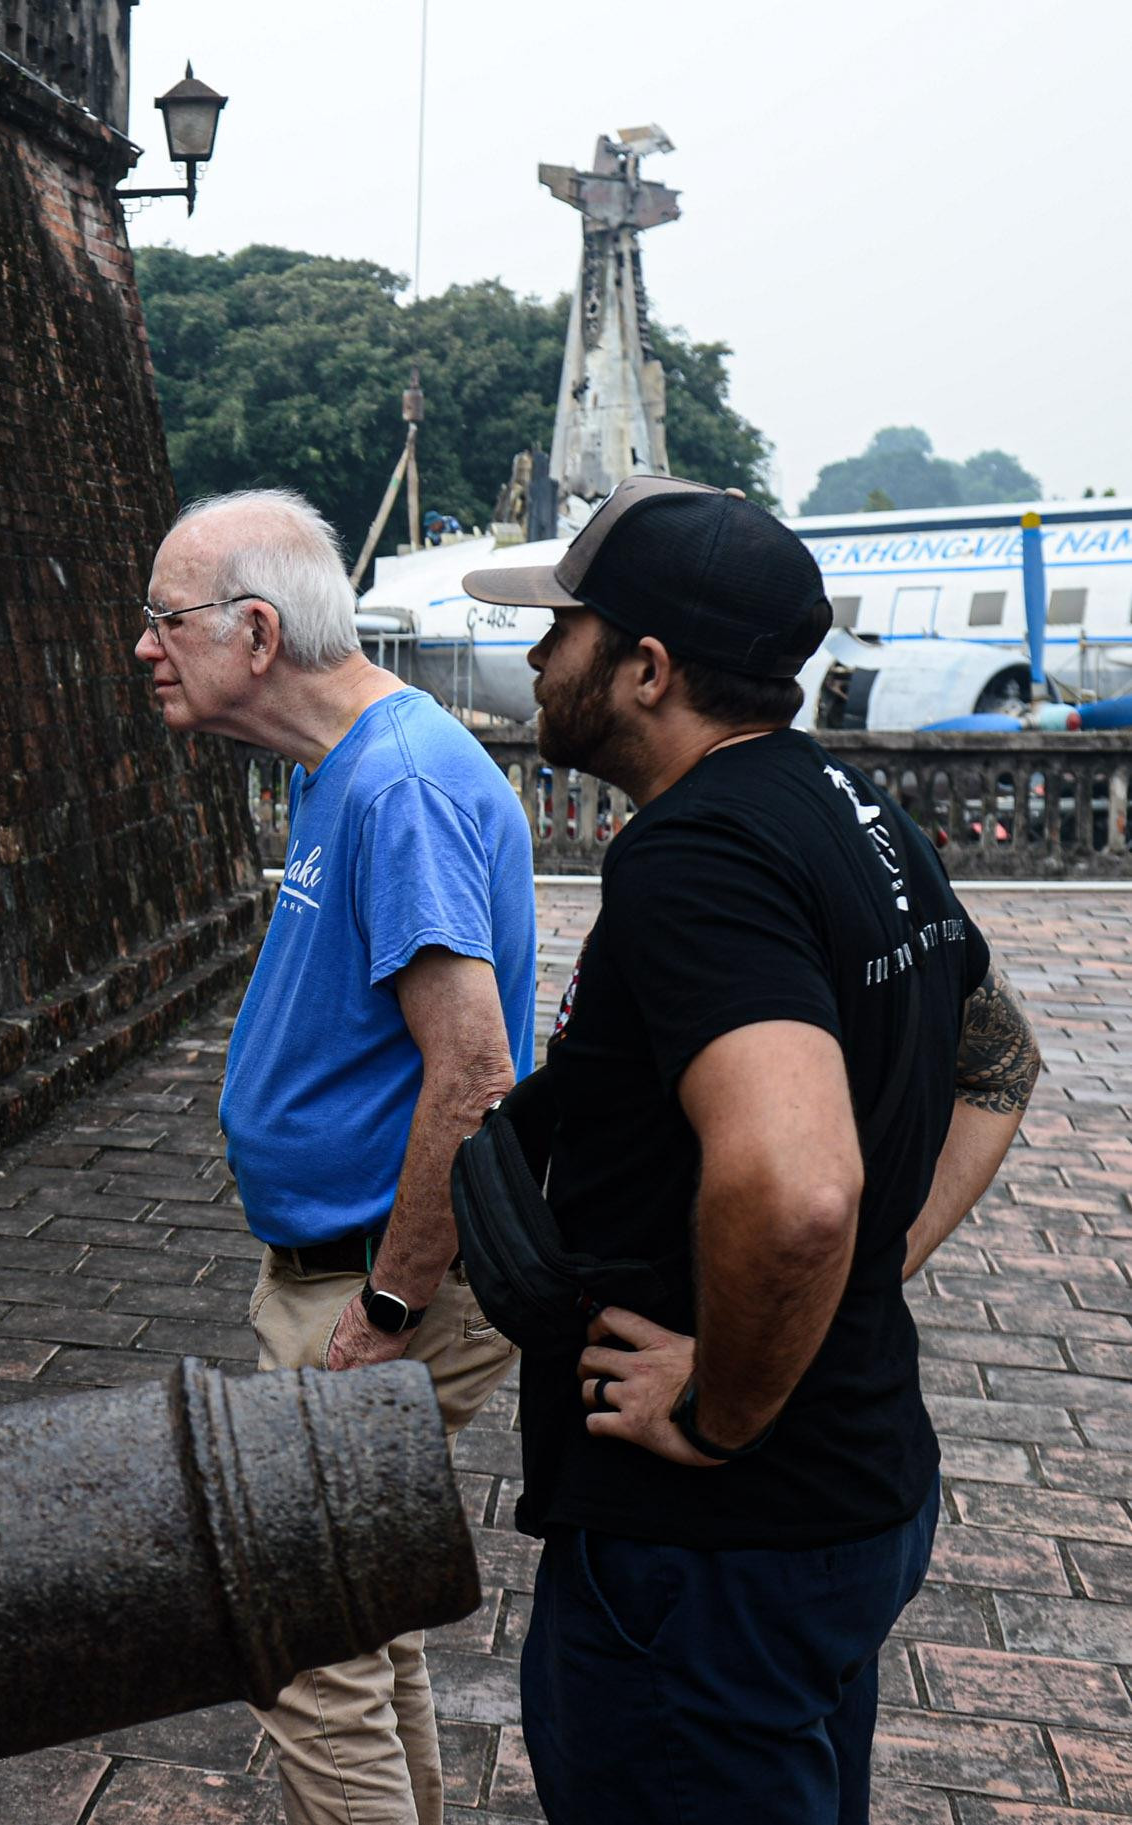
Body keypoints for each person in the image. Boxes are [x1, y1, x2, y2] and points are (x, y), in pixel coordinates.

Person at [464, 476, 1041, 1823]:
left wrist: (723, 1401)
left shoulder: (696, 854)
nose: (539, 658)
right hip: (852, 1485)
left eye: (563, 629)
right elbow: (998, 1062)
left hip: (711, 1546)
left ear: (646, 668)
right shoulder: (852, 812)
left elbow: (794, 1189)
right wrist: (858, 1277)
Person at [138, 489, 537, 1825]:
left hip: (377, 1278)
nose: (142, 646)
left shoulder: (398, 780)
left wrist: (387, 1304)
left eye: (163, 619)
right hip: (349, 1264)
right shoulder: (348, 766)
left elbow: (472, 1069)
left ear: (254, 632)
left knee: (303, 1643)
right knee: (358, 1623)